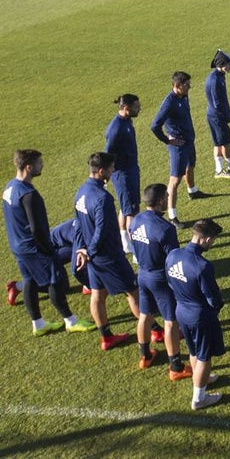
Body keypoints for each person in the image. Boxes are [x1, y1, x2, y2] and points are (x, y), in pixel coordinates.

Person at [2, 149, 95, 336]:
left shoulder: (9, 187)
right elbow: (36, 228)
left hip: (17, 245)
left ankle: (38, 324)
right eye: (38, 163)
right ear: (29, 167)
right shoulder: (29, 195)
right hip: (35, 247)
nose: (42, 165)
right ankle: (71, 321)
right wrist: (48, 250)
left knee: (29, 281)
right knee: (57, 282)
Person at [74, 152, 141, 351]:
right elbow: (102, 231)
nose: (113, 172)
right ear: (102, 171)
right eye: (111, 169)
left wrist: (82, 249)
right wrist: (90, 252)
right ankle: (155, 330)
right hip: (108, 255)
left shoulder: (81, 192)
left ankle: (106, 337)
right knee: (133, 292)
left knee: (98, 294)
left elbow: (77, 224)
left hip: (93, 257)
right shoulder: (102, 198)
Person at [131, 182, 190, 379]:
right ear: (159, 201)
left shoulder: (135, 220)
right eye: (166, 196)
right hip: (160, 278)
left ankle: (145, 356)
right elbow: (173, 259)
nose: (168, 199)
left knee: (145, 315)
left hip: (143, 275)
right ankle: (176, 367)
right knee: (171, 321)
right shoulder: (165, 228)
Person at [166, 218, 226, 410]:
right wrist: (215, 309)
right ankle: (199, 398)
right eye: (213, 240)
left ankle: (203, 378)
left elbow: (169, 282)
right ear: (206, 239)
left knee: (193, 351)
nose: (213, 243)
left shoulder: (173, 255)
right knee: (204, 357)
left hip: (181, 311)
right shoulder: (202, 266)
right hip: (200, 316)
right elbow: (213, 298)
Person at [150, 71, 205, 228]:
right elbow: (155, 126)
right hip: (178, 146)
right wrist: (168, 140)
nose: (190, 86)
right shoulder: (169, 103)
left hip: (189, 141)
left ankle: (192, 190)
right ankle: (172, 216)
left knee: (191, 166)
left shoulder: (183, 96)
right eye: (187, 84)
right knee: (175, 180)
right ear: (177, 86)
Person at [105, 93, 142, 258]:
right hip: (123, 174)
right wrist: (108, 176)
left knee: (126, 208)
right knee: (131, 212)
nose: (139, 108)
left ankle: (125, 243)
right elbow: (107, 153)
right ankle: (136, 251)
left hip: (130, 169)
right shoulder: (116, 128)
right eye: (136, 106)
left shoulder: (126, 121)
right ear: (126, 108)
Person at [205, 49, 230, 179]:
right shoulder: (215, 80)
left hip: (215, 116)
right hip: (217, 116)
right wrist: (225, 116)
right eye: (229, 64)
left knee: (218, 143)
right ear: (222, 65)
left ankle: (221, 169)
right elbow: (217, 102)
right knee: (225, 142)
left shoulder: (219, 76)